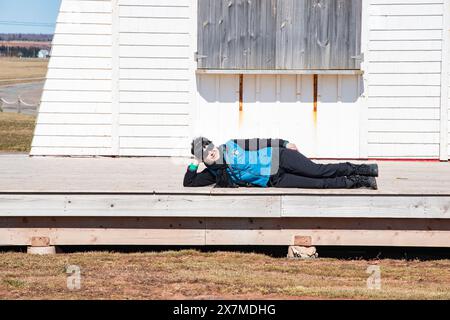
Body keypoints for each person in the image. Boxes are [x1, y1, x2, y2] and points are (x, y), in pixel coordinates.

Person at [183, 137, 378, 189]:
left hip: (280, 157)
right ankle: (359, 181)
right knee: (318, 184)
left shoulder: (232, 145)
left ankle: (363, 169)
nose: (211, 150)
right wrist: (194, 162)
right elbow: (189, 183)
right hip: (274, 180)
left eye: (209, 145)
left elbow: (262, 141)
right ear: (203, 159)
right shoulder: (214, 174)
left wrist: (284, 143)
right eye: (205, 152)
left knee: (318, 171)